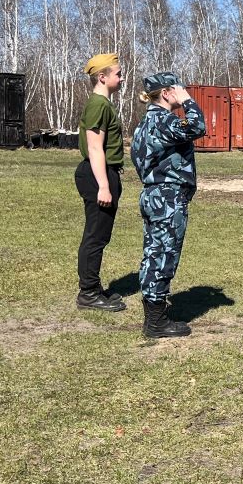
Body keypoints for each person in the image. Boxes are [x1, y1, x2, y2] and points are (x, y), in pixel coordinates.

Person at [130, 73, 206, 339]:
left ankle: (155, 315)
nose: (182, 93)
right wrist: (187, 101)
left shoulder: (144, 124)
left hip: (153, 194)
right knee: (163, 255)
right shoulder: (162, 120)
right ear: (166, 93)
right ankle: (156, 321)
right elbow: (197, 127)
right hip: (167, 198)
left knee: (153, 253)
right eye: (177, 89)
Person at [74, 53, 127, 312]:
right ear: (102, 77)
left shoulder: (104, 104)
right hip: (98, 174)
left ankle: (94, 289)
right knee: (95, 235)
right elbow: (95, 148)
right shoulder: (98, 104)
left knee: (99, 235)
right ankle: (88, 293)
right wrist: (104, 186)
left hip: (103, 173)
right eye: (117, 73)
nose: (121, 77)